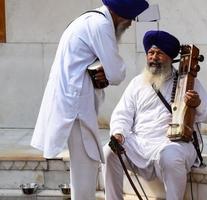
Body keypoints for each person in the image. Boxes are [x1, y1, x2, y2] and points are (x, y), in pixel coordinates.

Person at [30, 1, 149, 200]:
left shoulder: (88, 19)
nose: (130, 25)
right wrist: (108, 71)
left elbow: (96, 67)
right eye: (130, 19)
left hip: (72, 101)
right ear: (121, 14)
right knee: (86, 163)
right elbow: (116, 72)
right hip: (76, 106)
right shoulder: (101, 25)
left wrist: (102, 71)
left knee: (85, 164)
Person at [103, 30, 207, 200]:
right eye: (150, 53)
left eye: (159, 53)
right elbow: (122, 113)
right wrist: (119, 133)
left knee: (170, 157)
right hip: (140, 142)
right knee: (109, 151)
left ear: (170, 57)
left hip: (172, 143)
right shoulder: (137, 83)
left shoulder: (187, 82)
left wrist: (197, 104)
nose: (153, 57)